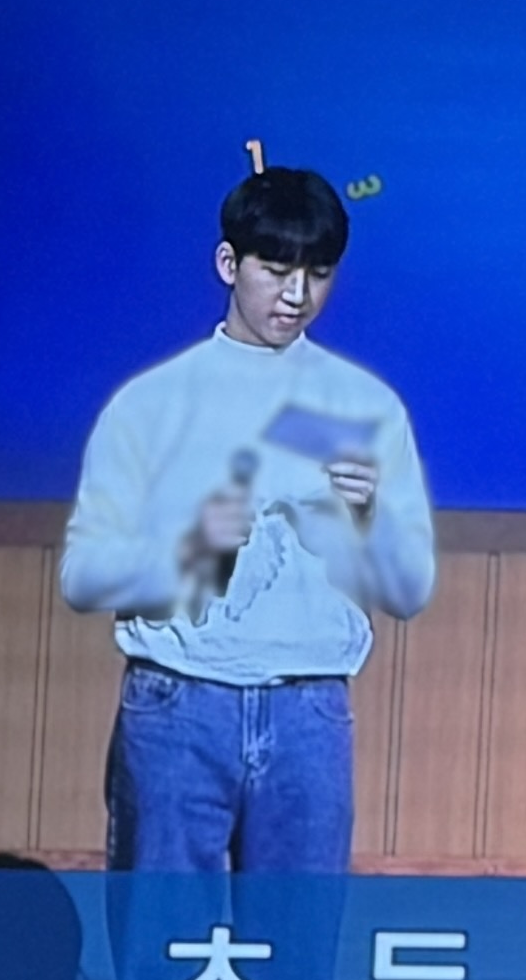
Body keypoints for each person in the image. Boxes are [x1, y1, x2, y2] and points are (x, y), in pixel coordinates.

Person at [57, 165, 439, 874]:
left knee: (295, 940)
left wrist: (367, 519)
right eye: (276, 270)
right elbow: (82, 578)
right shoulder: (152, 405)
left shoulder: (364, 407)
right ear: (229, 264)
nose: (297, 296)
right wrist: (189, 550)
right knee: (164, 937)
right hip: (176, 703)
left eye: (318, 274)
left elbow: (410, 589)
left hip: (309, 710)